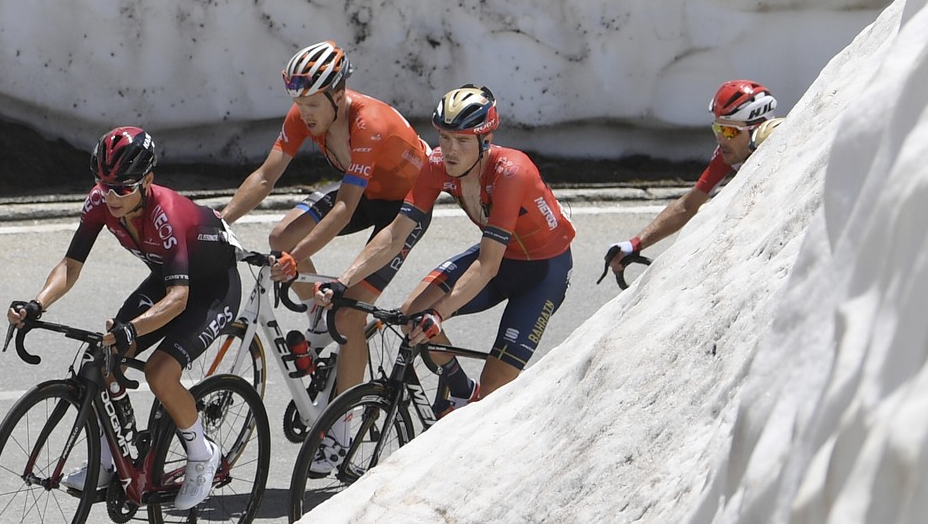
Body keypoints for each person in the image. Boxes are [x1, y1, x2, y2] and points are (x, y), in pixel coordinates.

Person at [314, 85, 575, 471]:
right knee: (410, 312)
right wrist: (344, 280)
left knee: (491, 398)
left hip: (542, 272)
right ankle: (458, 388)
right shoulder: (436, 165)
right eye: (444, 137)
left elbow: (487, 266)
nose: (450, 150)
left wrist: (441, 315)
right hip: (498, 254)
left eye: (462, 141)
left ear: (485, 141)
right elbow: (395, 233)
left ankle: (481, 441)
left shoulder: (512, 172)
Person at [7, 127, 240, 510]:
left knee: (160, 373)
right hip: (168, 281)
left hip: (211, 290)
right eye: (103, 184)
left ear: (147, 181)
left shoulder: (166, 214)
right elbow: (70, 264)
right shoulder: (100, 202)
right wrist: (37, 304)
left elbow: (179, 299)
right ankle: (108, 460)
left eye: (122, 187)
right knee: (103, 357)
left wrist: (133, 327)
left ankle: (203, 453)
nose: (110, 195)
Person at [217, 39, 430, 405]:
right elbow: (267, 176)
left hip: (405, 205)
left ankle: (342, 428)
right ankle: (317, 314)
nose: (305, 113)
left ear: (338, 94)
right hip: (365, 190)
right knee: (280, 236)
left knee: (348, 317)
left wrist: (294, 259)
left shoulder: (369, 125)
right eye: (299, 104)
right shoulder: (304, 115)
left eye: (313, 104)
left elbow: (345, 208)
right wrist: (220, 220)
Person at [604, 79, 784, 278]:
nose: (720, 139)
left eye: (729, 131)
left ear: (756, 128)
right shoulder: (731, 152)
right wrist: (634, 244)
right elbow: (687, 206)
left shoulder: (778, 143)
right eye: (718, 129)